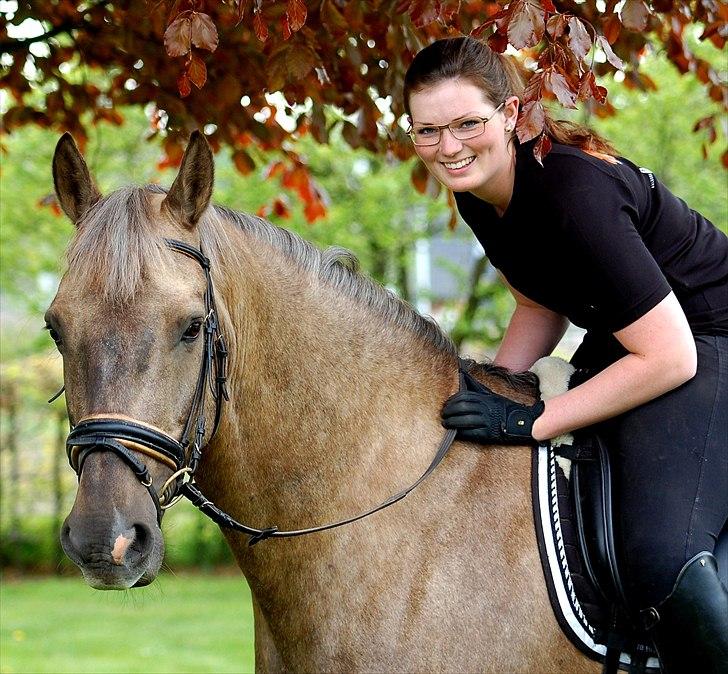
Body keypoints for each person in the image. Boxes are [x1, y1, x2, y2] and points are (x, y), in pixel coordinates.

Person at [403, 36, 728, 672]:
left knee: (662, 557)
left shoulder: (573, 195)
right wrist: (492, 387)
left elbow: (670, 357)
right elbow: (538, 306)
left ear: (514, 114)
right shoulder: (478, 194)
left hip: (706, 339)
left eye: (468, 123)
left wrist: (534, 420)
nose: (448, 147)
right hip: (638, 340)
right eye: (428, 131)